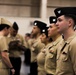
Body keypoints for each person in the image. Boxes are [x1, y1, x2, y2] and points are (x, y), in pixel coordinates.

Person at [54, 7, 76, 75]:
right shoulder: (62, 42)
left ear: (69, 23)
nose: (56, 24)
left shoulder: (74, 43)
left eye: (60, 20)